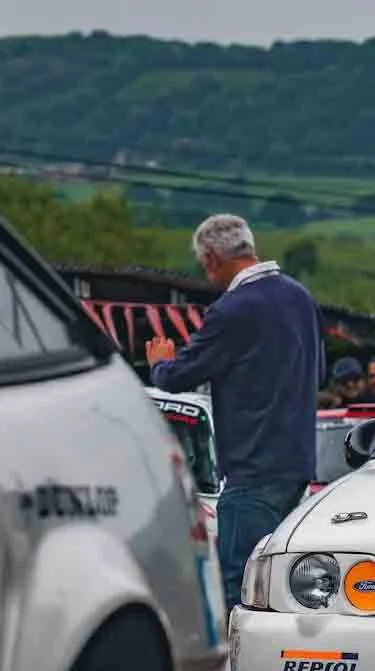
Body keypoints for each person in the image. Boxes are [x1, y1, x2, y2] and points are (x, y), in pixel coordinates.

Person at [146, 213, 324, 611]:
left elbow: (178, 376)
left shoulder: (234, 309)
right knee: (280, 595)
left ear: (211, 258)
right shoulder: (300, 298)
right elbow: (321, 372)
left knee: (238, 595)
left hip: (251, 470)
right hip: (297, 469)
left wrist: (160, 362)